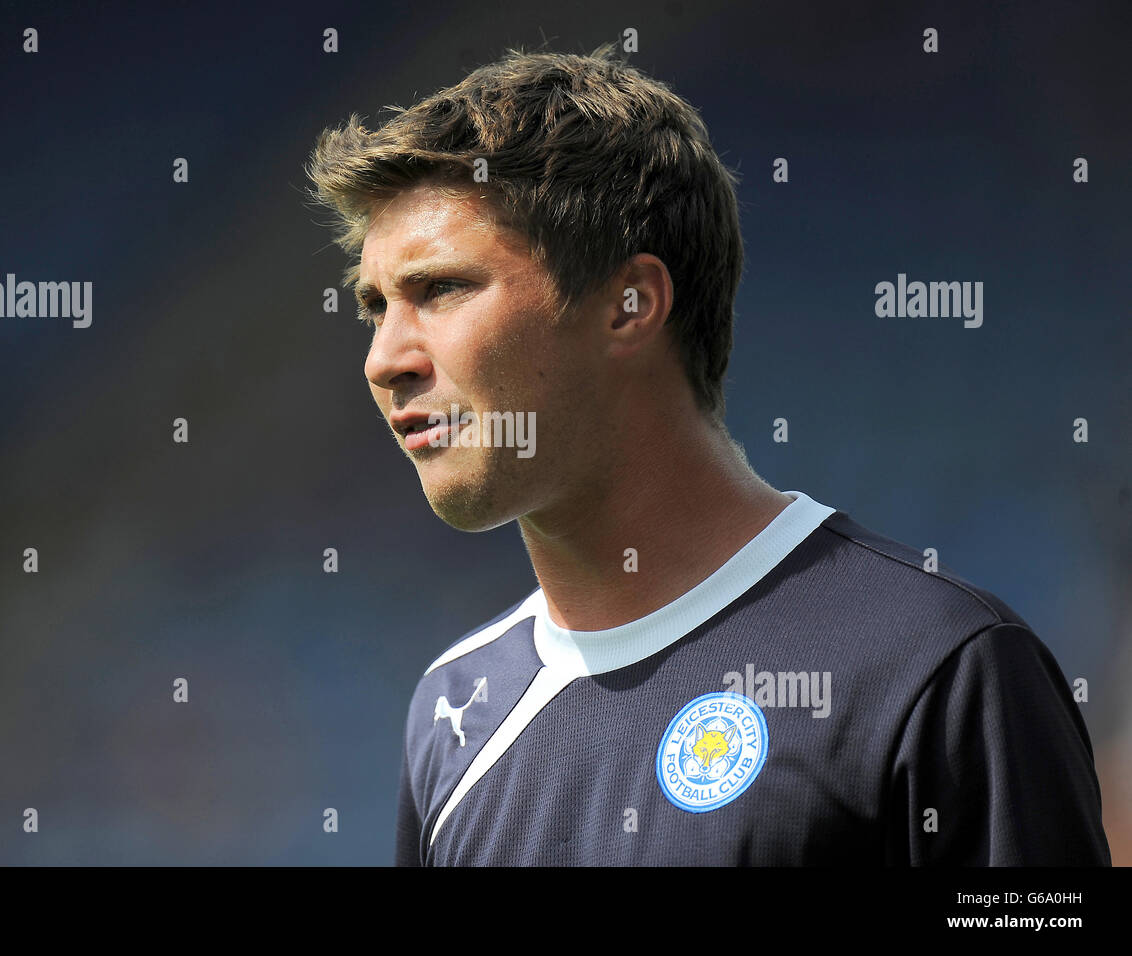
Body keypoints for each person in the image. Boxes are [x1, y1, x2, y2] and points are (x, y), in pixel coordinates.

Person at [304, 43, 1111, 865]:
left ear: (631, 305)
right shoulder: (454, 712)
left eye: (441, 289)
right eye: (375, 306)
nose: (384, 359)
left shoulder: (937, 666)